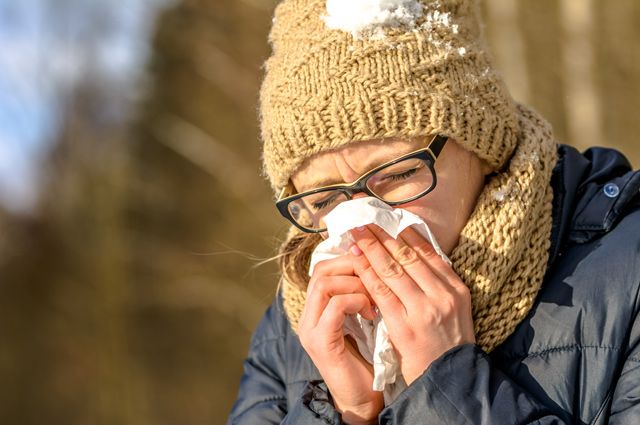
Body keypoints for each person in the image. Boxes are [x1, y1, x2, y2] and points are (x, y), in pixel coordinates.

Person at [228, 0, 640, 423]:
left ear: (484, 147)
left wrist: (446, 388)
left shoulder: (630, 280)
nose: (361, 225)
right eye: (324, 201)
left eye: (397, 173)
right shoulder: (293, 329)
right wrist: (347, 414)